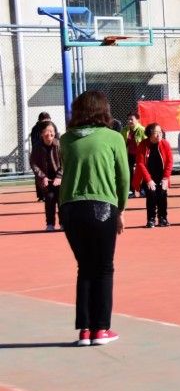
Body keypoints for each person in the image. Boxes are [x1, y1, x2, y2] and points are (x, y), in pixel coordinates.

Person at [60, 91, 129, 346]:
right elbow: (123, 176)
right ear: (103, 110)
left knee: (85, 267)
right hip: (102, 205)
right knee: (103, 267)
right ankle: (101, 329)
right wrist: (121, 209)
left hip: (70, 208)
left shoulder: (65, 139)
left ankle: (85, 330)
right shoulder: (113, 137)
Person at [133, 122, 173, 228]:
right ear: (150, 133)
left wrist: (166, 178)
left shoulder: (165, 144)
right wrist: (148, 180)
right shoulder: (143, 145)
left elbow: (170, 162)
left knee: (162, 195)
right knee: (151, 195)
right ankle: (151, 219)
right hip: (148, 176)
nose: (159, 135)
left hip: (162, 175)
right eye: (156, 132)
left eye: (160, 132)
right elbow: (140, 164)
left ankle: (163, 218)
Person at [30, 120, 62, 231]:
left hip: (60, 179)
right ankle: (50, 224)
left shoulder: (59, 145)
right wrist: (42, 176)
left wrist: (59, 176)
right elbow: (33, 163)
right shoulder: (37, 147)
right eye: (47, 131)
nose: (50, 134)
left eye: (52, 131)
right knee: (49, 198)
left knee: (61, 200)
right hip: (46, 179)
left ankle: (63, 223)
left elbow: (65, 162)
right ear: (42, 134)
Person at [30, 112, 59, 201]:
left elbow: (57, 138)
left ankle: (57, 192)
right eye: (44, 120)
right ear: (40, 121)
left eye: (48, 119)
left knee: (55, 169)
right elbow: (34, 142)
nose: (46, 121)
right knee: (40, 174)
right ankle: (41, 195)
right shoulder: (35, 129)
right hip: (40, 151)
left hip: (52, 150)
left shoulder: (53, 126)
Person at [121, 113, 144, 198]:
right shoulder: (124, 130)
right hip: (129, 154)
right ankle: (131, 190)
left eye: (132, 119)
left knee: (141, 171)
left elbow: (146, 143)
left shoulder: (142, 130)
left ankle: (142, 189)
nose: (129, 121)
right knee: (129, 172)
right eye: (128, 119)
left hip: (140, 155)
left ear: (137, 120)